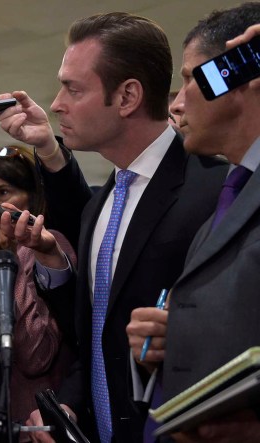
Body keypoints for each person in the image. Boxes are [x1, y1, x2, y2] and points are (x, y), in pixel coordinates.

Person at [0, 13, 227, 443]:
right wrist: (70, 403)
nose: (58, 103)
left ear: (127, 97)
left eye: (73, 88)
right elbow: (98, 334)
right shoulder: (99, 207)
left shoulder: (214, 190)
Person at [127, 7, 260, 442]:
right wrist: (176, 342)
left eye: (190, 78)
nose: (178, 102)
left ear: (243, 76)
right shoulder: (226, 203)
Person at [0, 145, 77, 428]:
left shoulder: (50, 245)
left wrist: (17, 258)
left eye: (3, 193)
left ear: (31, 195)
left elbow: (35, 355)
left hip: (39, 423)